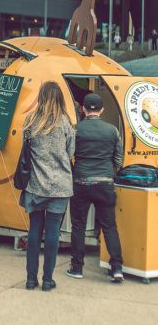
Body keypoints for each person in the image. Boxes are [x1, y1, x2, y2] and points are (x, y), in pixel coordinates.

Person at [20, 81, 75, 292]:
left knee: (34, 230)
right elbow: (70, 153)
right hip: (60, 187)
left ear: (41, 97)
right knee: (53, 233)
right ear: (60, 97)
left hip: (35, 185)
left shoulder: (31, 121)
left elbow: (25, 151)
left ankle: (30, 279)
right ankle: (48, 280)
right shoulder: (65, 123)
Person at [67, 93, 124, 283]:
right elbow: (118, 158)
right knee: (109, 226)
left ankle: (77, 268)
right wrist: (110, 172)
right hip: (105, 182)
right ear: (102, 110)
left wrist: (76, 171)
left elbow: (68, 155)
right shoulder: (112, 130)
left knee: (79, 226)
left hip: (81, 182)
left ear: (83, 108)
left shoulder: (76, 130)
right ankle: (116, 268)